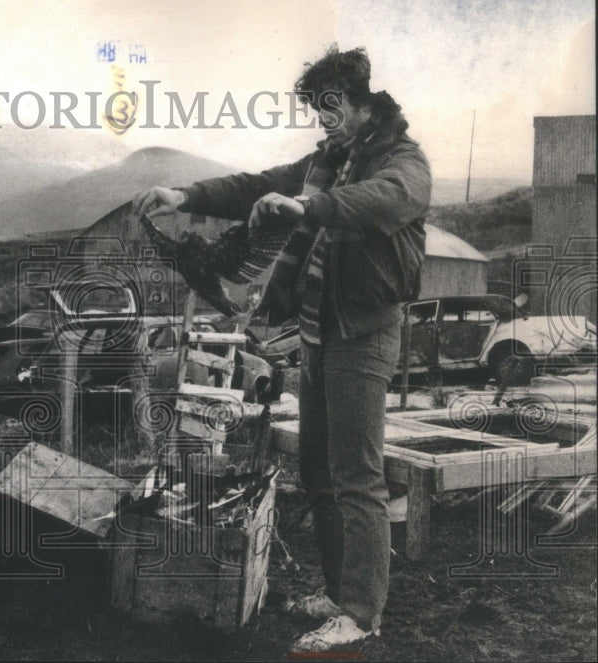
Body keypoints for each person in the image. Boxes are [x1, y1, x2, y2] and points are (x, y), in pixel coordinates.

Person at [133, 46, 431, 652]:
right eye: (315, 108)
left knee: (357, 478)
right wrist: (184, 196)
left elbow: (387, 201)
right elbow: (259, 185)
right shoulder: (327, 160)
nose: (323, 118)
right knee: (320, 474)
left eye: (331, 106)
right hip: (319, 333)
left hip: (364, 334)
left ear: (358, 100)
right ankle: (337, 590)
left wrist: (308, 206)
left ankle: (362, 611)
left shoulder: (402, 160)